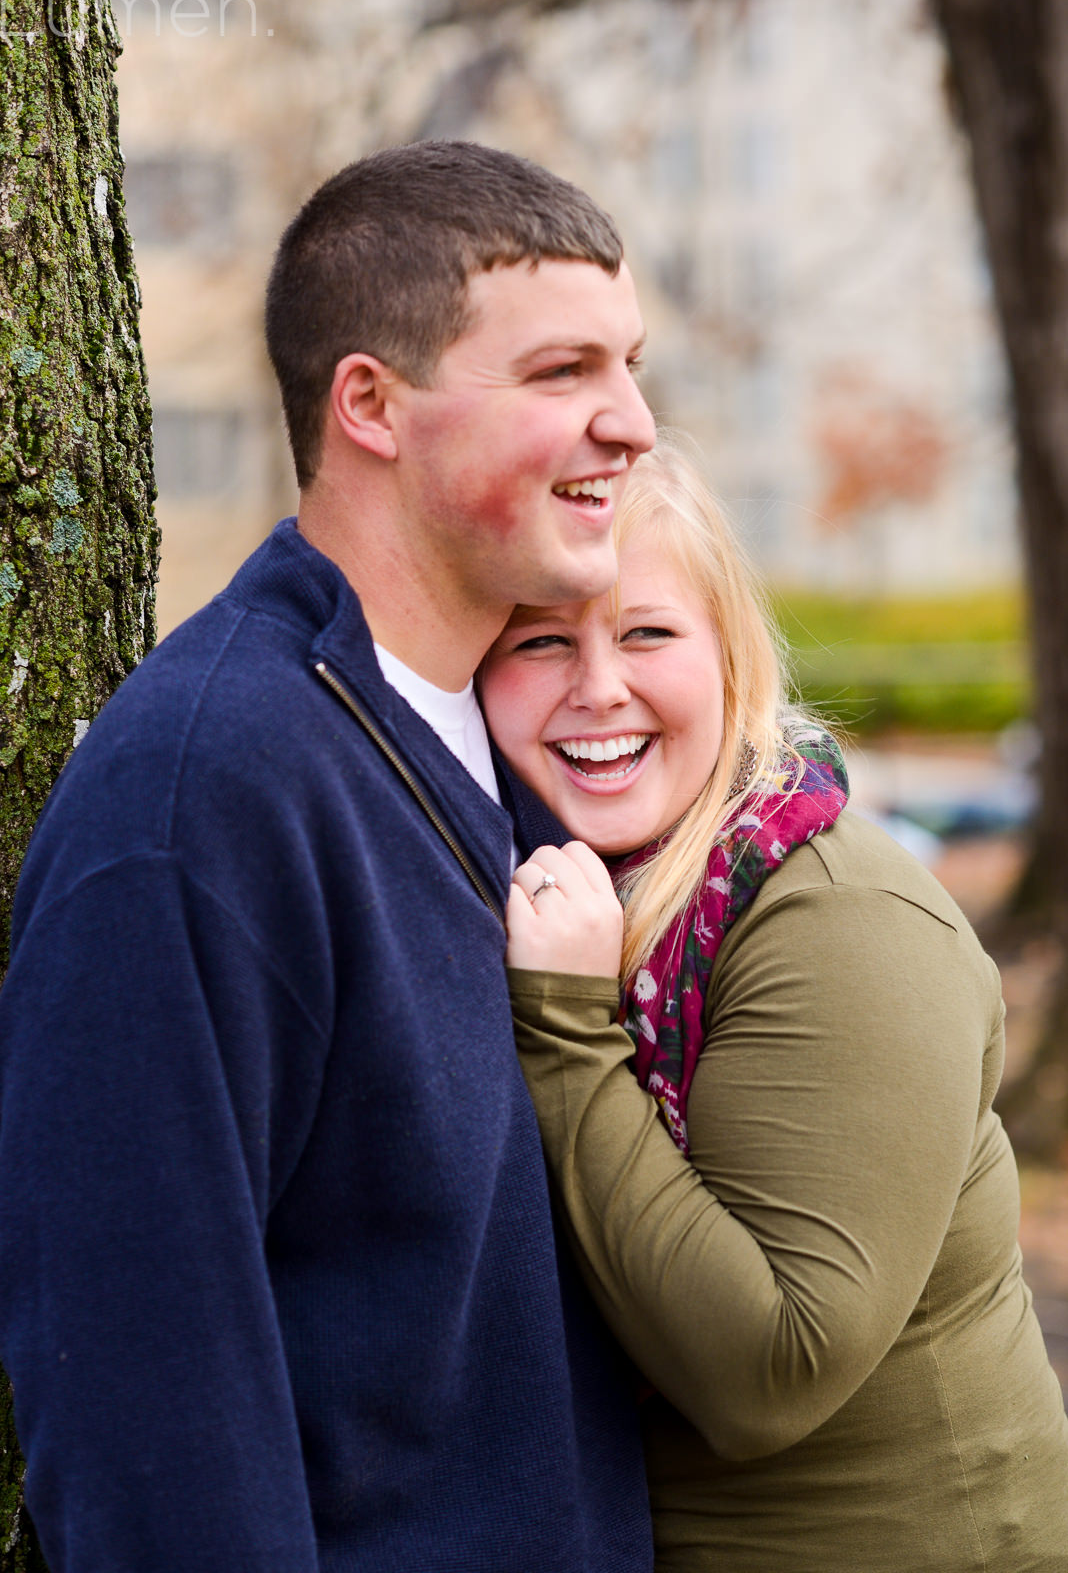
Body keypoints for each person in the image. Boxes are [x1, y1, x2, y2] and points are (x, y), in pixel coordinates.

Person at [0, 141, 659, 1572]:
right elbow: (139, 1403)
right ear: (371, 403)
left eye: (631, 366)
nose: (634, 424)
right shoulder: (200, 799)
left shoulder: (519, 743)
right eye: (562, 375)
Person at [479, 435, 1068, 1571]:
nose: (598, 685)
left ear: (732, 657)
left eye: (648, 631)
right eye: (541, 639)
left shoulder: (843, 922)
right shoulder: (554, 881)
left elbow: (771, 1369)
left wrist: (564, 1029)